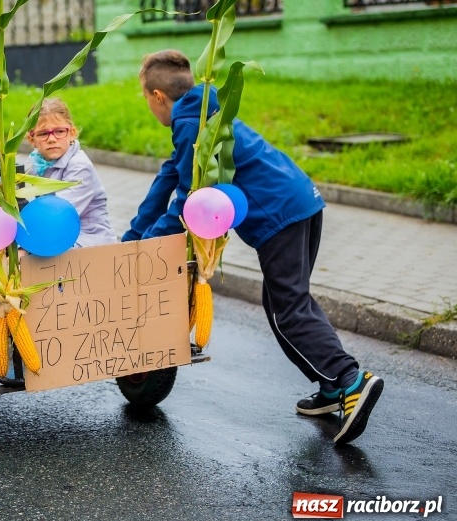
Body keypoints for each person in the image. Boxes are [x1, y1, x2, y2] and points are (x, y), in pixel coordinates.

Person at [124, 49, 383, 446]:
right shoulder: (204, 111)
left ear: (158, 96)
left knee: (287, 309)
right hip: (301, 201)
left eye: (146, 98)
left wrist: (147, 244)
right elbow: (169, 175)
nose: (148, 105)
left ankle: (349, 379)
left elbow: (189, 200)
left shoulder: (191, 122)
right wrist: (133, 235)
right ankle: (331, 386)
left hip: (279, 215)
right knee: (285, 303)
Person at [24, 98, 117, 248]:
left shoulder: (79, 166)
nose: (52, 139)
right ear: (31, 139)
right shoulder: (35, 163)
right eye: (43, 134)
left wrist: (25, 247)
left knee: (26, 256)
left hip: (89, 241)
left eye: (59, 131)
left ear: (72, 133)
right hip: (57, 235)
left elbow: (58, 216)